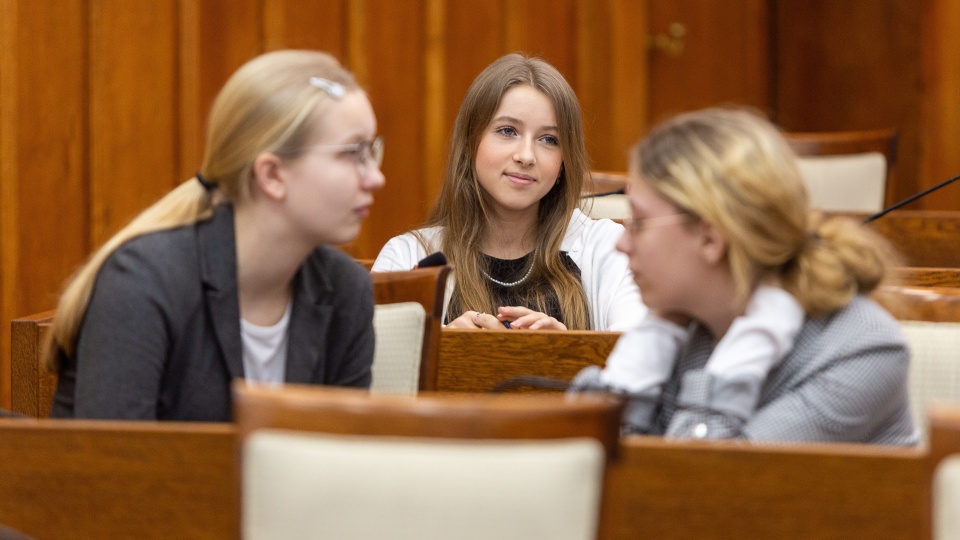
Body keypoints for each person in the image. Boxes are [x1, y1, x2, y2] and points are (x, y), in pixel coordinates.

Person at [46, 50, 385, 421]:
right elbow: (116, 471)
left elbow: (337, 464)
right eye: (353, 154)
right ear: (272, 175)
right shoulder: (145, 281)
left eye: (372, 151)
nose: (376, 178)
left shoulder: (345, 290)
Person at [577, 108, 918, 444]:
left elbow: (699, 485)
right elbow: (590, 468)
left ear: (710, 239)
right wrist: (650, 340)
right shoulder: (689, 323)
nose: (621, 244)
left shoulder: (861, 351)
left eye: (637, 222)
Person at [372, 53, 642, 332]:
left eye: (549, 139)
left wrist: (567, 353)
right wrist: (444, 350)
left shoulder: (610, 248)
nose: (526, 156)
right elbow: (376, 370)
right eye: (507, 131)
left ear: (564, 161)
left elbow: (642, 362)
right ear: (469, 143)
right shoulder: (408, 257)